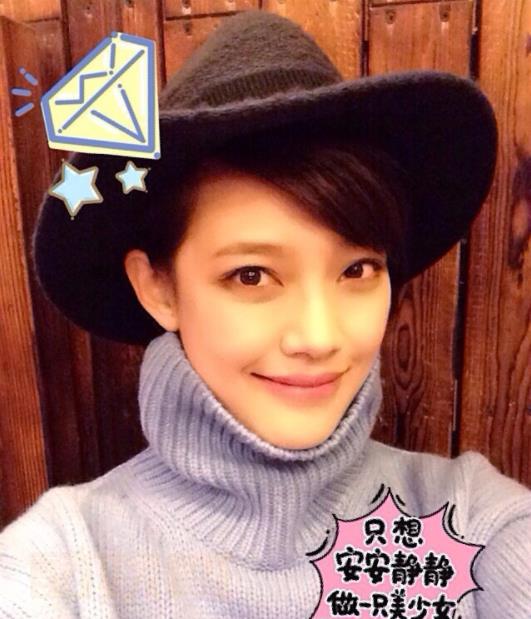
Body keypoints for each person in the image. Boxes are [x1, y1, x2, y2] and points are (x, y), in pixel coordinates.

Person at [1, 9, 529, 619]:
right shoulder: (62, 567)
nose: (318, 336)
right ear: (158, 288)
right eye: (251, 275)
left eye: (357, 270)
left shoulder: (475, 524)